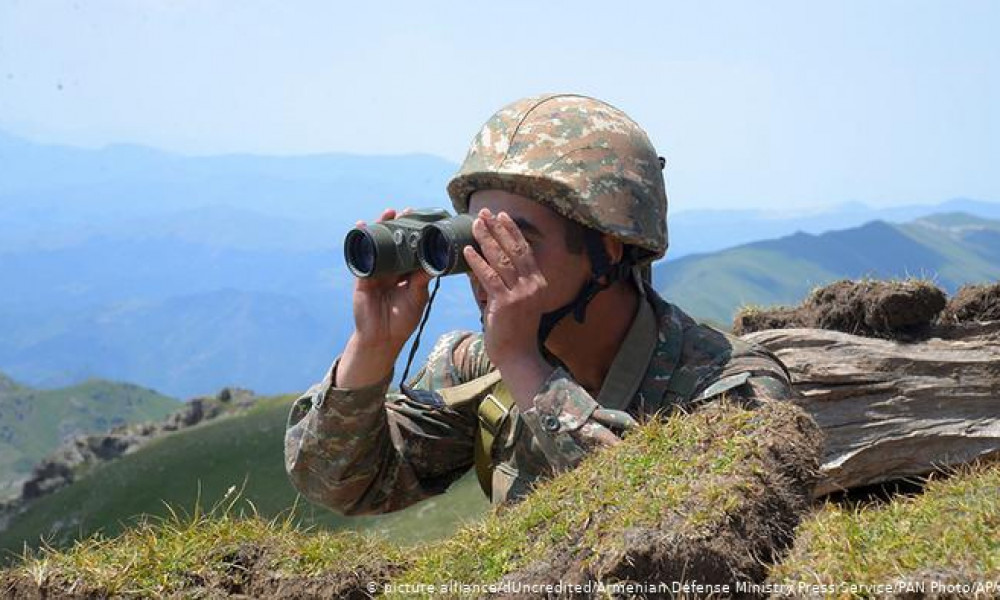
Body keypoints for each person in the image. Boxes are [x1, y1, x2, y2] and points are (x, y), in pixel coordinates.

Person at [284, 94, 797, 515]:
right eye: (477, 238)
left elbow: (668, 531)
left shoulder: (731, 389)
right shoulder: (475, 368)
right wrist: (371, 350)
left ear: (607, 250)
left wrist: (526, 367)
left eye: (516, 241)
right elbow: (341, 485)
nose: (489, 265)